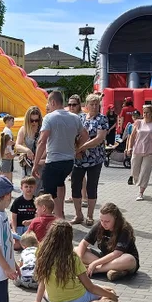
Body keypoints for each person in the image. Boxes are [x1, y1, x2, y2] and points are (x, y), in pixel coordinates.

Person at [22, 220, 118, 302]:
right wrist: (111, 296)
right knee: (110, 292)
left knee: (46, 290)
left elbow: (42, 280)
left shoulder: (41, 252)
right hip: (80, 300)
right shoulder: (72, 258)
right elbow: (90, 287)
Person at [32, 90, 89, 220]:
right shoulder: (74, 117)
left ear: (53, 102)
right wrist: (76, 149)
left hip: (54, 161)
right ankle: (60, 214)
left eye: (49, 104)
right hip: (69, 161)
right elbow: (85, 135)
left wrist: (35, 164)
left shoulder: (49, 117)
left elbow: (42, 141)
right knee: (60, 184)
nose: (48, 107)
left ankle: (53, 219)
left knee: (48, 193)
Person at [69, 93, 109, 225]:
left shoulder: (102, 119)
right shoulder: (79, 118)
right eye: (91, 104)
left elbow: (99, 139)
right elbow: (73, 134)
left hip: (94, 159)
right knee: (75, 185)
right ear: (86, 105)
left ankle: (90, 215)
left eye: (97, 104)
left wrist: (82, 148)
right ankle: (78, 214)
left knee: (92, 186)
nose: (94, 106)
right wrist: (76, 149)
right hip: (78, 159)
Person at [76, 202, 140, 281]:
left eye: (107, 221)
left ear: (115, 218)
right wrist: (78, 260)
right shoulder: (99, 225)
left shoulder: (124, 229)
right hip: (104, 257)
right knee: (76, 250)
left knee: (129, 259)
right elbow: (83, 243)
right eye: (101, 220)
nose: (103, 224)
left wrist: (95, 264)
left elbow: (117, 253)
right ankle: (112, 270)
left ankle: (96, 270)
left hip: (121, 259)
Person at [126, 105, 152, 201]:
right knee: (134, 170)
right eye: (144, 112)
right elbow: (132, 136)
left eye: (147, 112)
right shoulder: (138, 123)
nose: (145, 114)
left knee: (145, 172)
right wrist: (129, 147)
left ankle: (141, 192)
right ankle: (138, 182)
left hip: (150, 150)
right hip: (137, 149)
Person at [15, 106, 43, 181]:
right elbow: (17, 145)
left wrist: (38, 161)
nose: (34, 122)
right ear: (27, 120)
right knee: (27, 188)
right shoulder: (24, 129)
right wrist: (27, 150)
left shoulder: (43, 129)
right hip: (28, 164)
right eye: (31, 120)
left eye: (36, 120)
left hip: (41, 163)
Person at [0, 116, 16, 184]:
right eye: (12, 121)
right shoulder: (7, 131)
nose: (13, 123)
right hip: (9, 152)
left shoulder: (7, 130)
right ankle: (8, 182)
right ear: (7, 121)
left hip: (9, 152)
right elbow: (8, 143)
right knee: (5, 170)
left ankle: (10, 182)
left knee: (8, 169)